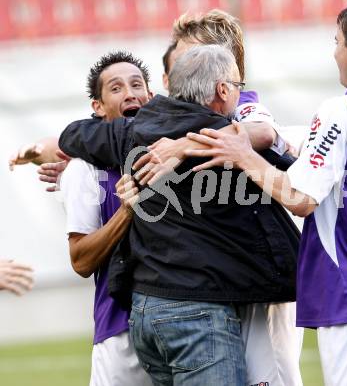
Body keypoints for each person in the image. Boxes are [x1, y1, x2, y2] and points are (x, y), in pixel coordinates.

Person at [186, 0, 347, 386]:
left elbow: (301, 198)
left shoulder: (341, 109)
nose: (335, 51)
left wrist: (244, 156)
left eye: (338, 41)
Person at [58, 44, 300, 386]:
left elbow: (72, 134)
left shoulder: (135, 132)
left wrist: (187, 146)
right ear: (222, 89)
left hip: (146, 314)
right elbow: (298, 190)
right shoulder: (228, 142)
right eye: (236, 85)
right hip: (197, 313)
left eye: (136, 84)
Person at [132, 9, 303, 386]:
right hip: (220, 285)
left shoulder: (241, 105)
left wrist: (183, 145)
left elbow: (263, 130)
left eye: (194, 53)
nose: (185, 63)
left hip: (261, 290)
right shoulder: (179, 110)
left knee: (272, 376)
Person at [59, 51, 153, 386]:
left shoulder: (173, 154)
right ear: (97, 107)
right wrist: (126, 212)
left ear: (151, 97)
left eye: (137, 84)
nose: (130, 93)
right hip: (120, 332)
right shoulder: (85, 170)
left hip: (180, 329)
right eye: (116, 88)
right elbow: (81, 260)